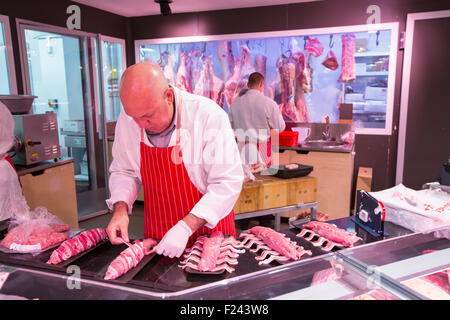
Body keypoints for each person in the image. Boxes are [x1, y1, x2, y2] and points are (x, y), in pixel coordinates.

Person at [105, 62, 244, 259]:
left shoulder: (207, 116)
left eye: (147, 117)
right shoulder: (130, 118)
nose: (140, 124)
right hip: (158, 234)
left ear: (168, 97)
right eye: (133, 117)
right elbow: (124, 171)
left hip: (210, 235)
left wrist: (185, 227)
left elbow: (227, 183)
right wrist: (120, 209)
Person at [228, 72, 286, 170]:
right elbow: (280, 128)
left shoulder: (235, 104)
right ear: (261, 84)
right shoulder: (269, 103)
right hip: (262, 150)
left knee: (243, 182)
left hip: (242, 149)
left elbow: (230, 127)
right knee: (265, 182)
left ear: (248, 84)